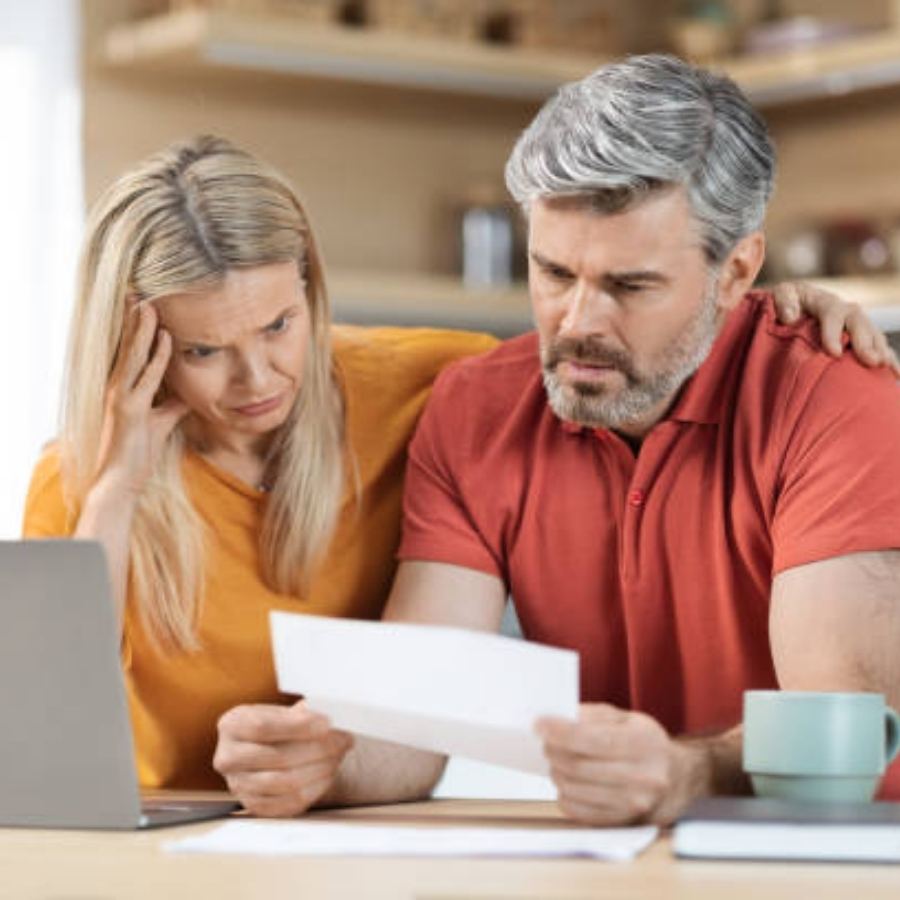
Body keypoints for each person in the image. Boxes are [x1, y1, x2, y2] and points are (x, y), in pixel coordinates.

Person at [213, 55, 900, 822]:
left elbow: (848, 736)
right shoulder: (478, 407)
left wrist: (686, 774)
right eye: (553, 273)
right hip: (621, 862)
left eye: (629, 286)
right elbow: (416, 710)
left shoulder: (835, 395)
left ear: (736, 272)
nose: (578, 323)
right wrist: (327, 757)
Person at [22, 135, 497, 792]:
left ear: (310, 285)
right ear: (134, 347)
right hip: (162, 851)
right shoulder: (78, 483)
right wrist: (119, 490)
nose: (257, 380)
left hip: (357, 828)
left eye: (278, 326)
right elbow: (51, 732)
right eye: (203, 352)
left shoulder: (428, 383)